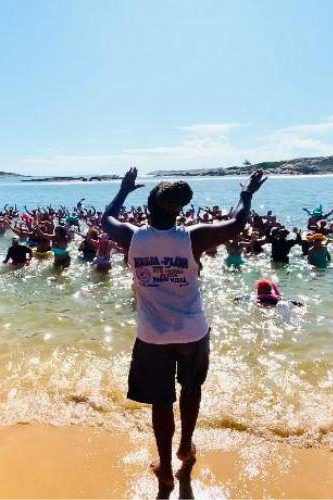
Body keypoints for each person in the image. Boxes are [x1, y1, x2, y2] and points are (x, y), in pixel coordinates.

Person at [101, 167, 266, 490]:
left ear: (149, 206)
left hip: (151, 335)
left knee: (161, 402)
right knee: (191, 390)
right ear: (181, 210)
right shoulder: (194, 237)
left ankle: (164, 466)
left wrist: (123, 190)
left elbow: (106, 217)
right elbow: (237, 223)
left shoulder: (131, 237)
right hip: (192, 331)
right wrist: (246, 194)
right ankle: (185, 448)